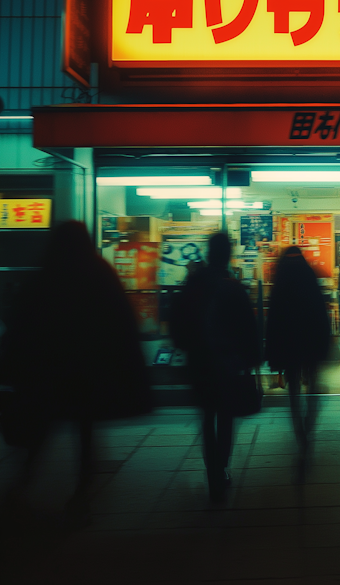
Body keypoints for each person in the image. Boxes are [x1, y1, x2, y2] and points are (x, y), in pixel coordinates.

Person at [0, 220, 152, 528]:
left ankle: (21, 486)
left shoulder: (45, 276)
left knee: (40, 432)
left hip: (49, 373)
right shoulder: (99, 274)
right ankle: (80, 498)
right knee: (85, 436)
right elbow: (121, 322)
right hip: (88, 374)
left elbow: (22, 324)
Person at [170, 231, 261, 501]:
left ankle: (213, 471)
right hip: (228, 365)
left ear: (208, 253)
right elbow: (248, 328)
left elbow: (179, 319)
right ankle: (220, 468)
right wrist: (253, 359)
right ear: (228, 254)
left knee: (207, 417)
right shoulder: (233, 286)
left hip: (200, 363)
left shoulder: (194, 282)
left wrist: (185, 347)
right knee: (226, 416)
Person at [265, 246, 330, 475]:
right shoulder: (309, 276)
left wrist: (273, 352)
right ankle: (309, 426)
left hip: (289, 346)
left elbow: (273, 319)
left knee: (293, 392)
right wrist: (324, 344)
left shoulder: (280, 280)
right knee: (312, 384)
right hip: (310, 343)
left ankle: (301, 435)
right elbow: (321, 313)